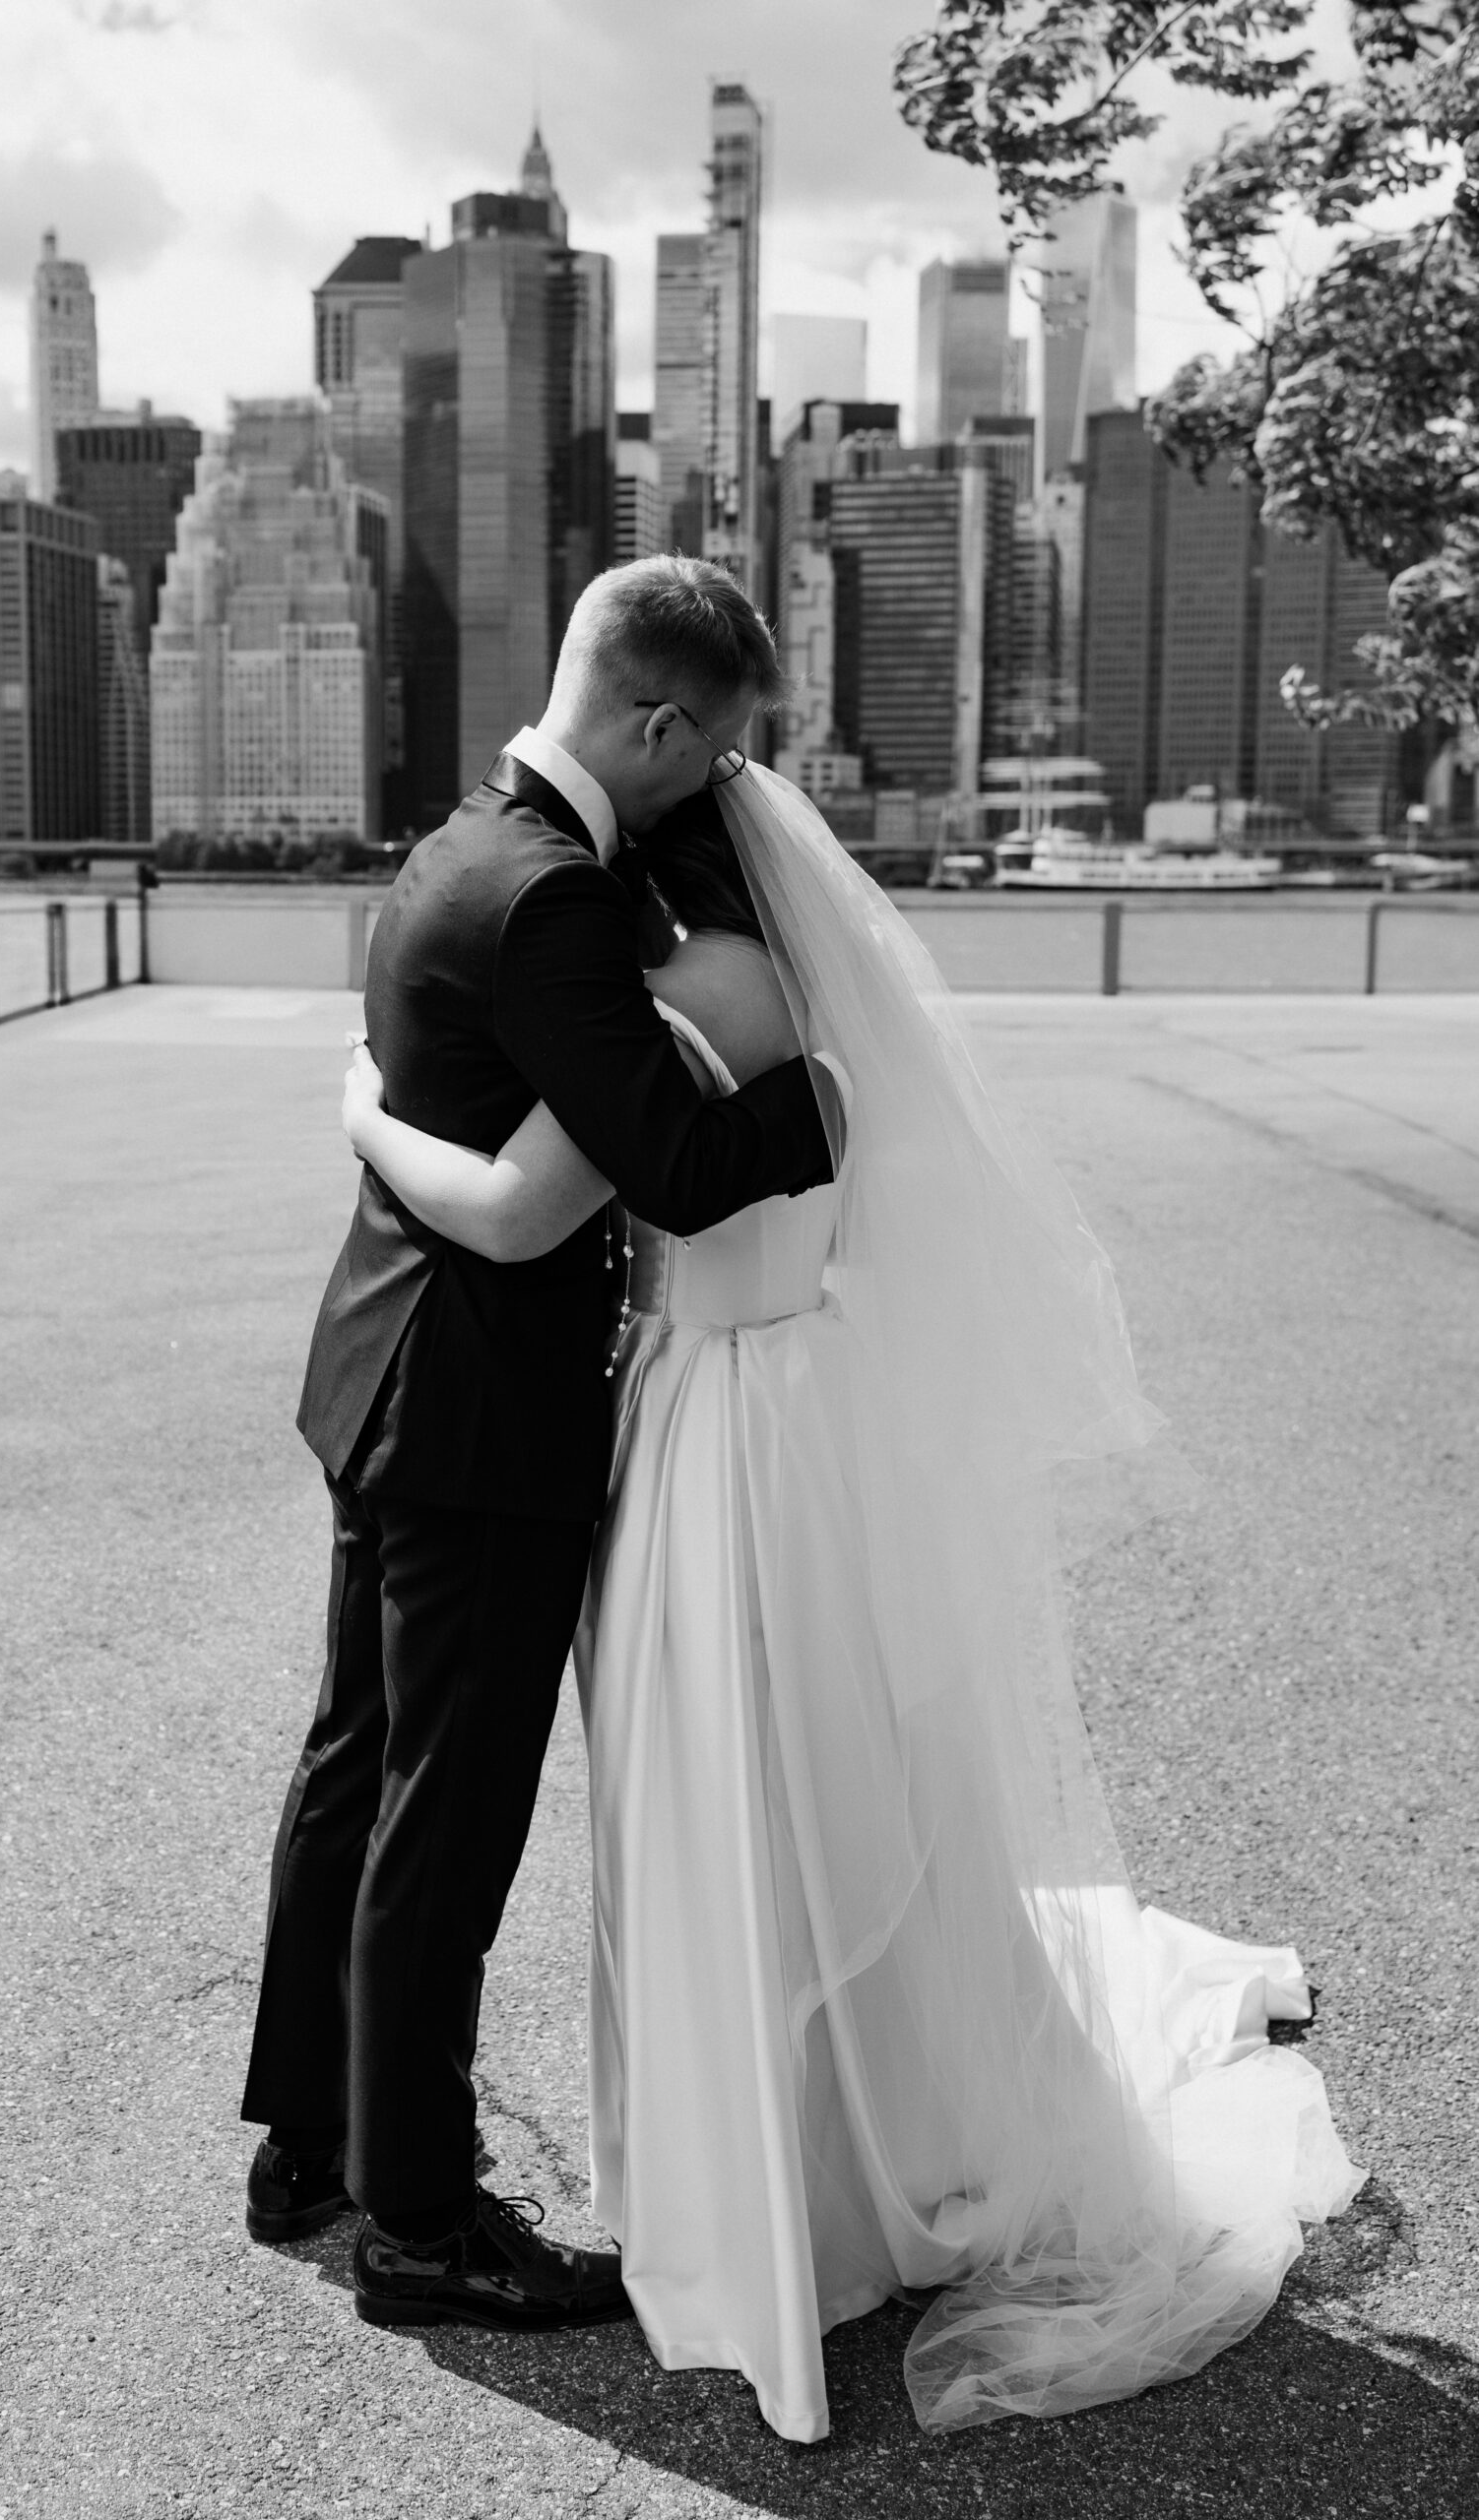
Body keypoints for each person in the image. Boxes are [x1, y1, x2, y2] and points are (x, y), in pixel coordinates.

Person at [338, 752, 1366, 2435]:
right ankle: (869, 2130)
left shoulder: (671, 998)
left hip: (706, 1429)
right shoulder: (813, 992)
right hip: (801, 1410)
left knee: (714, 1801)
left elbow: (526, 1207)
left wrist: (368, 1106)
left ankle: (767, 2187)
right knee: (827, 1778)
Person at [238, 558, 834, 2334]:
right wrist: (834, 1099)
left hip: (380, 1388)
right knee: (446, 1809)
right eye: (712, 751)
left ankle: (314, 2146)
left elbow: (443, 1115)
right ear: (657, 719)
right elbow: (670, 1164)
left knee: (356, 1767)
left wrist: (354, 1118)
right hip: (485, 1426)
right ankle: (419, 2227)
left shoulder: (449, 847)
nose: (715, 784)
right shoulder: (563, 903)